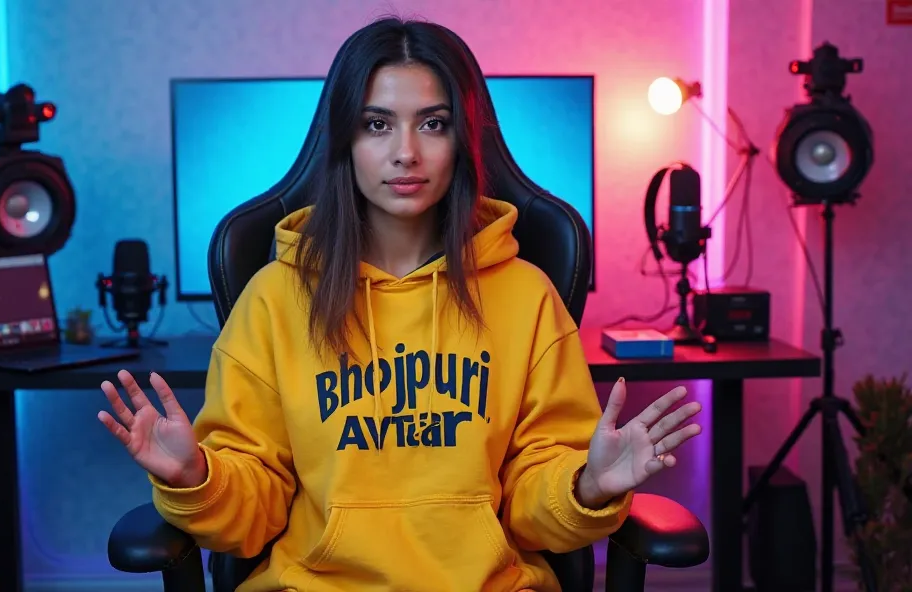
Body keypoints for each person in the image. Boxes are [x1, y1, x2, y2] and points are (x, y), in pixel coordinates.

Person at [98, 16, 702, 592]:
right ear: (346, 141)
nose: (406, 152)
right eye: (378, 124)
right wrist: (194, 478)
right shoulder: (274, 299)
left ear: (463, 142)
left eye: (433, 124)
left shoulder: (526, 295)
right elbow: (251, 512)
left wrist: (589, 484)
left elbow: (531, 504)